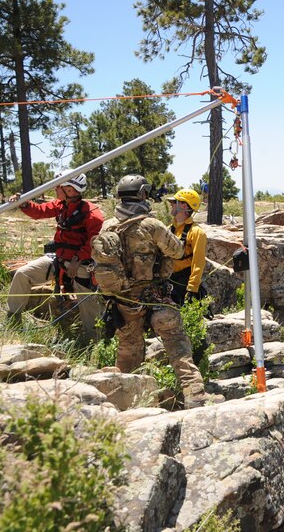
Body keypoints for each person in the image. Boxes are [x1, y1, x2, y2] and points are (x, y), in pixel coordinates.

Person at [94, 174, 213, 409]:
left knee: (128, 353)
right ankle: (195, 395)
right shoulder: (151, 225)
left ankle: (126, 403)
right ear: (142, 195)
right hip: (155, 297)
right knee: (177, 344)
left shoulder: (108, 225)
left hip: (124, 302)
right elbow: (178, 252)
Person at [6, 172, 104, 344]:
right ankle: (13, 319)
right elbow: (39, 211)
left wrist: (76, 259)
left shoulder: (92, 214)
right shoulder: (61, 205)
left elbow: (94, 243)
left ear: (71, 190)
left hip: (81, 263)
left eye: (59, 186)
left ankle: (95, 341)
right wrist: (24, 203)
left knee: (88, 303)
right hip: (58, 259)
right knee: (22, 274)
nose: (55, 189)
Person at [166, 188, 208, 306]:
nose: (172, 205)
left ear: (184, 206)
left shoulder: (196, 232)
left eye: (175, 202)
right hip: (167, 282)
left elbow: (198, 262)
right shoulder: (168, 229)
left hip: (184, 285)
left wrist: (192, 288)